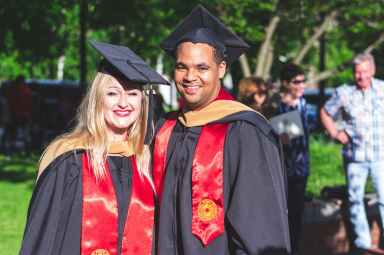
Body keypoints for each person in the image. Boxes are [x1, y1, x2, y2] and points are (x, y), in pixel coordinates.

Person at [153, 5, 290, 254]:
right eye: (182, 66)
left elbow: (258, 226)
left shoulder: (243, 131)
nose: (189, 76)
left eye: (202, 67)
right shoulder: (166, 129)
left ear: (222, 69)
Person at [19, 40, 169, 255]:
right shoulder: (69, 161)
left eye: (133, 93)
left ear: (143, 103)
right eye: (112, 93)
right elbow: (43, 239)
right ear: (97, 99)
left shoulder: (147, 161)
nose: (124, 103)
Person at [320, 53, 384, 254]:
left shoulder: (383, 89)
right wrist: (335, 132)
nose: (361, 75)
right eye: (358, 72)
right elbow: (325, 112)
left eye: (365, 71)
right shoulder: (344, 93)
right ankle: (364, 243)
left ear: (372, 71)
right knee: (355, 199)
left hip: (380, 155)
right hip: (355, 157)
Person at [273, 63, 310, 255]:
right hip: (285, 169)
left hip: (302, 168)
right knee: (285, 215)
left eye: (304, 81)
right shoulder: (280, 106)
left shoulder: (302, 103)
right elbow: (286, 141)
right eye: (297, 82)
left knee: (297, 216)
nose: (302, 85)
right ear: (286, 83)